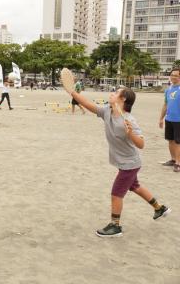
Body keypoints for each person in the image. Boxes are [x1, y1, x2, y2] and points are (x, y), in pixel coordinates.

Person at [65, 85, 171, 237]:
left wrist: (131, 134)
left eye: (115, 93)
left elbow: (141, 144)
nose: (111, 94)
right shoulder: (107, 111)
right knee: (135, 186)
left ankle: (115, 226)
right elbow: (88, 105)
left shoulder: (128, 120)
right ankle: (159, 208)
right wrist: (72, 92)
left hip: (130, 164)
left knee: (116, 194)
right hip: (124, 162)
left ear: (123, 99)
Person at [159, 68, 180, 171]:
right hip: (169, 119)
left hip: (178, 120)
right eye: (172, 75)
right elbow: (166, 104)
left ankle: (178, 162)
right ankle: (173, 159)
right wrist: (161, 118)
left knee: (178, 142)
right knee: (170, 140)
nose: (173, 77)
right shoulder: (168, 89)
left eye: (176, 75)